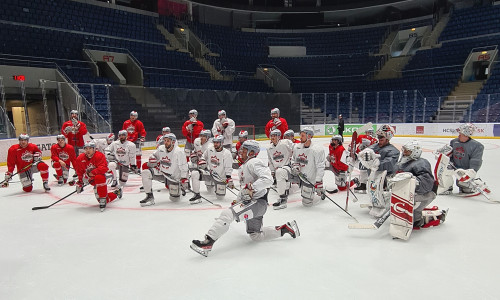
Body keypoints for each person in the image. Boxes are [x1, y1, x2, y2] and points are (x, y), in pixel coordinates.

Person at [190, 140, 300, 257]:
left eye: (244, 150)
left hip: (257, 202)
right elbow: (245, 189)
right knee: (255, 236)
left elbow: (268, 179)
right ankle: (286, 228)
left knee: (227, 214)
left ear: (252, 152)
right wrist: (238, 201)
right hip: (256, 205)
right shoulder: (245, 166)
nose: (241, 152)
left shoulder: (254, 162)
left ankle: (208, 242)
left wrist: (252, 188)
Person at [392, 140, 445, 229]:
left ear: (415, 152)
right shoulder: (402, 163)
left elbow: (427, 183)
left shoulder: (421, 163)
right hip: (407, 192)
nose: (404, 153)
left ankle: (418, 220)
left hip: (425, 193)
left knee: (411, 213)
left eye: (407, 151)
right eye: (404, 150)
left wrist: (413, 180)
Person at [358, 124, 400, 217]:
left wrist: (376, 164)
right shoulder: (373, 147)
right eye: (379, 138)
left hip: (385, 178)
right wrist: (360, 158)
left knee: (383, 193)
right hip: (372, 177)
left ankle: (385, 203)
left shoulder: (394, 151)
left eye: (382, 139)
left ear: (388, 139)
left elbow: (389, 163)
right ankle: (375, 202)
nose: (379, 140)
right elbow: (364, 161)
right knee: (372, 191)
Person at [435, 123, 488, 195]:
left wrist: (472, 171)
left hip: (465, 170)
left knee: (462, 185)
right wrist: (442, 154)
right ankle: (447, 187)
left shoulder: (477, 146)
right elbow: (450, 153)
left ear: (466, 135)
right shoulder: (454, 142)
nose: (458, 135)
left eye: (461, 134)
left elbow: (476, 160)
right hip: (454, 166)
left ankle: (478, 183)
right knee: (444, 172)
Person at [140, 133, 189, 206]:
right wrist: (152, 158)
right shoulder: (161, 149)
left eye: (168, 141)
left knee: (174, 199)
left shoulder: (179, 152)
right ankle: (149, 196)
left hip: (173, 177)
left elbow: (184, 167)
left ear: (173, 142)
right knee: (145, 173)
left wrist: (184, 178)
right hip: (162, 173)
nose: (165, 142)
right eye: (165, 140)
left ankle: (180, 190)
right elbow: (153, 155)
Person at [74, 141, 122, 211]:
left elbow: (103, 168)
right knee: (102, 199)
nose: (88, 150)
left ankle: (103, 198)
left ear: (94, 149)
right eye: (86, 148)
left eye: (90, 148)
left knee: (98, 178)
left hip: (105, 176)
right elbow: (80, 171)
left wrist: (91, 173)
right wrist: (80, 182)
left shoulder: (99, 155)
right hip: (93, 179)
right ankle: (116, 193)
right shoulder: (80, 158)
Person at [291, 127, 326, 207]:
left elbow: (320, 167)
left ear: (309, 136)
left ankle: (321, 191)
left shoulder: (317, 150)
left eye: (302, 135)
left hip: (309, 179)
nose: (300, 137)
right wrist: (295, 165)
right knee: (281, 173)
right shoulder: (297, 147)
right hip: (299, 175)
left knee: (306, 204)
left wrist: (318, 181)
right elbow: (293, 159)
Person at [193, 135, 233, 203]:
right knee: (195, 173)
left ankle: (216, 188)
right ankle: (196, 195)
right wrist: (202, 161)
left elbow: (228, 167)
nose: (215, 144)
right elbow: (203, 157)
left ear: (222, 143)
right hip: (210, 174)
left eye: (217, 142)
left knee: (220, 198)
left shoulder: (227, 153)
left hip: (220, 178)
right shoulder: (210, 149)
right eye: (214, 142)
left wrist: (228, 178)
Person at [267, 129, 294, 210]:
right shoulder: (269, 148)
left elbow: (296, 149)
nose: (272, 137)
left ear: (279, 137)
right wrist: (271, 171)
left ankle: (283, 199)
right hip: (277, 170)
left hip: (288, 167)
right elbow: (270, 161)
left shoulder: (285, 143)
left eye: (274, 136)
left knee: (280, 173)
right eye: (271, 136)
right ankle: (282, 196)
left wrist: (293, 161)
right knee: (278, 175)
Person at [189, 130, 212, 203]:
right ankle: (189, 187)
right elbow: (194, 151)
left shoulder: (210, 147)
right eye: (201, 136)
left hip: (208, 168)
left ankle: (211, 184)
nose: (201, 138)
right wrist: (193, 155)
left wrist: (206, 165)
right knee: (189, 166)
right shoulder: (196, 142)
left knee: (212, 191)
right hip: (199, 165)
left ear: (208, 138)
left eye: (204, 136)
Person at [353, 128, 378, 193]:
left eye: (370, 133)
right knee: (364, 170)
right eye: (368, 132)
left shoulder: (374, 140)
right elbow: (355, 142)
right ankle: (365, 184)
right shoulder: (362, 137)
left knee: (364, 170)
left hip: (366, 157)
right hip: (360, 156)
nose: (369, 134)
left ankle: (365, 184)